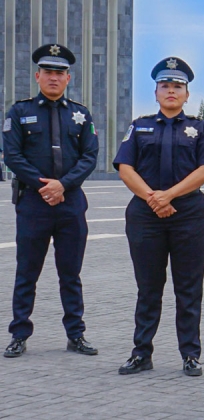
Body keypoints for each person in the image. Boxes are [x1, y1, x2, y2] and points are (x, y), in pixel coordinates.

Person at [113, 57, 204, 376]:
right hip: (145, 214)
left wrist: (169, 195)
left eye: (178, 87)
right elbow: (125, 167)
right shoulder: (140, 125)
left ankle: (190, 354)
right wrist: (153, 197)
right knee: (148, 287)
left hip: (188, 215)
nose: (171, 91)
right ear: (156, 92)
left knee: (188, 288)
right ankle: (141, 352)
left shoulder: (200, 129)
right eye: (165, 86)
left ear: (187, 94)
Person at [2, 44, 99, 357]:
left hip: (70, 203)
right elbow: (12, 156)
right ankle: (19, 333)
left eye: (60, 72)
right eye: (48, 72)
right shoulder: (19, 112)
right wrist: (44, 186)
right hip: (33, 204)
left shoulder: (81, 114)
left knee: (70, 274)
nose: (54, 77)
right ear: (37, 76)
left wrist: (63, 185)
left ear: (68, 78)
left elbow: (90, 156)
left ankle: (76, 334)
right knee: (26, 272)